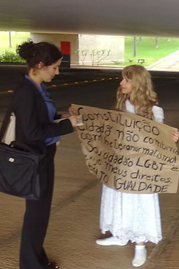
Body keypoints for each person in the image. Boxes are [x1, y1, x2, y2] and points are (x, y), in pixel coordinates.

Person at [95, 65, 179, 267]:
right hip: (120, 165)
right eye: (122, 79)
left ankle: (140, 245)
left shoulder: (153, 111)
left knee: (139, 202)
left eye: (126, 80)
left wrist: (171, 138)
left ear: (138, 83)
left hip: (141, 169)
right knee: (118, 198)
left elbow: (158, 140)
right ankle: (119, 234)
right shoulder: (121, 105)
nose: (121, 83)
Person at [11, 41, 80, 269]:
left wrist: (64, 118)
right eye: (54, 67)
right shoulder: (26, 92)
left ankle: (37, 262)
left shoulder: (38, 88)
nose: (57, 72)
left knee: (40, 215)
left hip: (43, 157)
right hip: (33, 160)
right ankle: (30, 266)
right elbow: (33, 132)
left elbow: (43, 119)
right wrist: (66, 126)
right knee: (36, 216)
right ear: (40, 65)